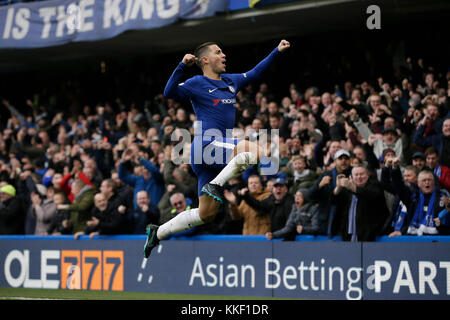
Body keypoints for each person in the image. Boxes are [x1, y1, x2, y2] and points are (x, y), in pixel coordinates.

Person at [143, 39, 291, 258]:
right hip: (207, 145)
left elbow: (256, 72)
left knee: (206, 214)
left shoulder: (231, 81)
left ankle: (159, 232)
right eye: (218, 52)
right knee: (257, 151)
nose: (224, 56)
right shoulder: (196, 82)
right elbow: (169, 92)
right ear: (205, 60)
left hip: (213, 155)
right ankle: (216, 184)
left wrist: (276, 51)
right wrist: (182, 66)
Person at [332, 164, 389, 241]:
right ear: (351, 177)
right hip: (348, 235)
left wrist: (352, 187)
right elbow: (333, 201)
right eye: (356, 175)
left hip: (370, 235)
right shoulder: (348, 189)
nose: (359, 177)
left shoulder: (375, 186)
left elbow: (367, 194)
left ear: (368, 175)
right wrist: (338, 187)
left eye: (361, 174)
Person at [307, 149, 353, 236]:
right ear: (335, 161)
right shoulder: (326, 175)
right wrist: (320, 185)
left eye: (346, 159)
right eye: (340, 158)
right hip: (327, 220)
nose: (343, 161)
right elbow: (309, 196)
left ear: (350, 161)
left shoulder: (355, 175)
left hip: (347, 220)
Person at [391, 169, 447, 236]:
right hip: (414, 238)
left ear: (434, 182)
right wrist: (395, 169)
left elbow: (446, 223)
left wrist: (443, 222)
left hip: (437, 239)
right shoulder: (413, 198)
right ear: (418, 184)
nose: (427, 182)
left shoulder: (443, 198)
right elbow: (399, 187)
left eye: (429, 180)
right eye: (424, 180)